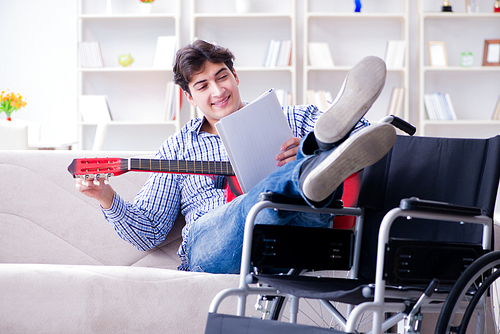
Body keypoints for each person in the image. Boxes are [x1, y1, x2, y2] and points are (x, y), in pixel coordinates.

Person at [76, 40, 396, 274]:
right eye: (203, 85)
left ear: (236, 77)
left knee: (293, 198)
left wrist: (305, 144)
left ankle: (316, 156)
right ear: (189, 97)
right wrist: (105, 196)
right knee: (256, 205)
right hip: (214, 243)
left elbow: (368, 137)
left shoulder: (291, 119)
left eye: (222, 76)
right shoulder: (179, 147)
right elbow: (149, 233)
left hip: (296, 235)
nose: (218, 91)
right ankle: (307, 171)